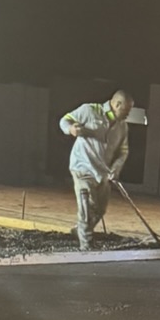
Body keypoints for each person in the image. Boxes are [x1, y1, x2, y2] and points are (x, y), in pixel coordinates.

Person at [60, 91, 134, 250]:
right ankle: (86, 247)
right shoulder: (89, 110)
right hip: (82, 168)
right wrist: (71, 129)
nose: (128, 113)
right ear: (117, 105)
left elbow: (123, 151)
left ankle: (79, 230)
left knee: (99, 210)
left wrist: (116, 168)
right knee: (86, 209)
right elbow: (64, 120)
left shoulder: (122, 126)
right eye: (126, 110)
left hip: (103, 173)